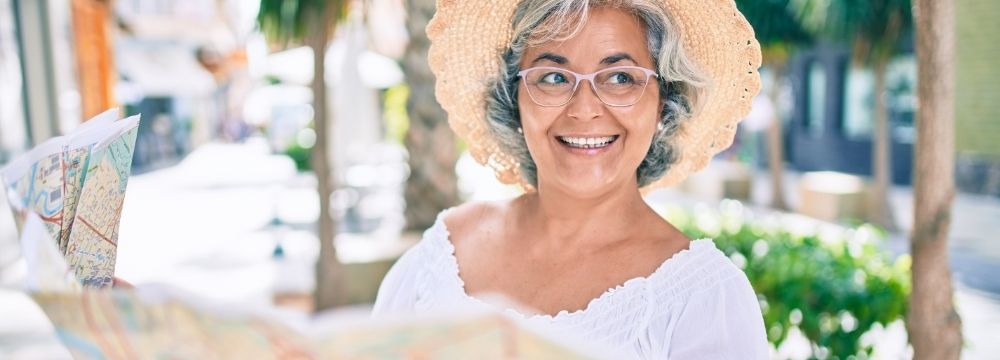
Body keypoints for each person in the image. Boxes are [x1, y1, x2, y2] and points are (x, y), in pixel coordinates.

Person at [373, 0, 767, 358]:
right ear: (515, 98)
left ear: (663, 102)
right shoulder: (443, 254)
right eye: (554, 77)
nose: (584, 109)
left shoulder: (703, 297)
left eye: (620, 78)